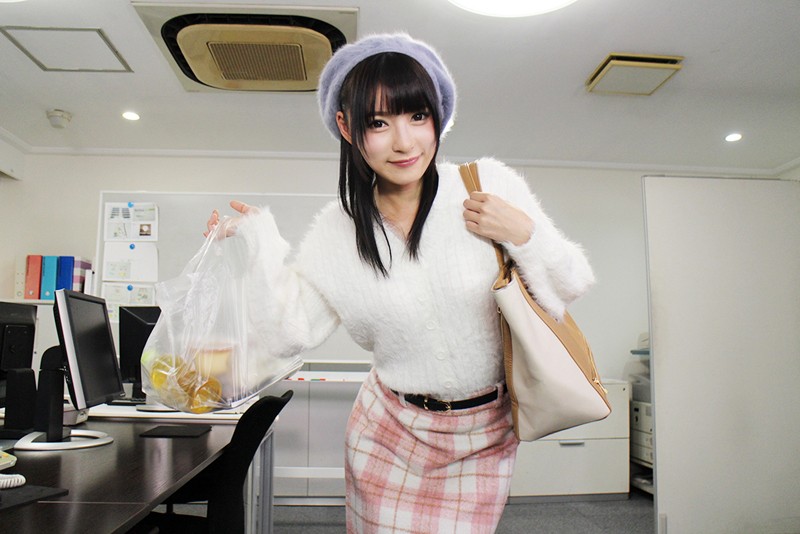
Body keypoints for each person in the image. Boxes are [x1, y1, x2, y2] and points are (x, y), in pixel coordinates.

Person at [206, 33, 595, 534]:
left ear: (438, 116)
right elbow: (288, 333)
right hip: (387, 434)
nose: (405, 142)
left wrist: (524, 234)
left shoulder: (486, 185)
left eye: (417, 116)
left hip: (485, 437)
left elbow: (571, 284)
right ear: (346, 127)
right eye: (378, 123)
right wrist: (259, 240)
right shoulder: (337, 232)